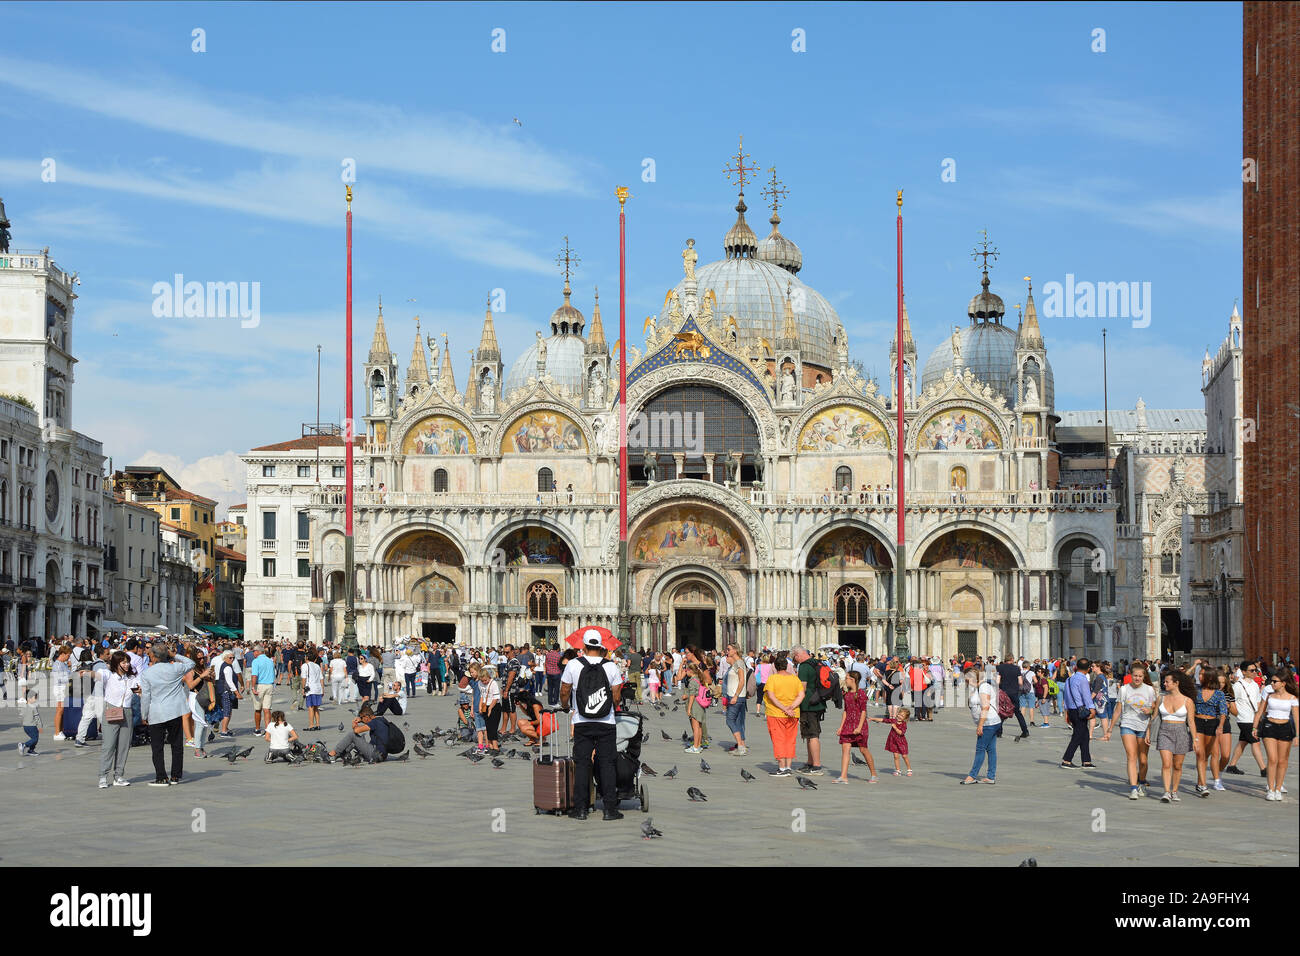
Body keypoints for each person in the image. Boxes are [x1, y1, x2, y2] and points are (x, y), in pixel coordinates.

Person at [559, 629, 625, 821]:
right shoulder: (611, 666)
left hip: (582, 722)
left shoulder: (573, 664)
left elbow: (564, 690)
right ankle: (609, 809)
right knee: (607, 764)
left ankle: (580, 809)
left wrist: (566, 705)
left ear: (584, 645)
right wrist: (610, 708)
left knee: (582, 764)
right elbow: (617, 695)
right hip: (606, 722)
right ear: (601, 646)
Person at [138, 644, 196, 786]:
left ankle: (161, 777)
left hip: (157, 711)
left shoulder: (147, 673)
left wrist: (143, 715)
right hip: (175, 710)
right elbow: (191, 663)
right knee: (176, 744)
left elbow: (146, 696)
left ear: (153, 656)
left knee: (157, 747)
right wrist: (174, 655)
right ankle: (176, 776)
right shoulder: (175, 668)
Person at [1106, 661, 1157, 799]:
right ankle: (1133, 788)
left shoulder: (1149, 690)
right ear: (1131, 675)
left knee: (1143, 759)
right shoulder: (1124, 689)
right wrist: (1110, 729)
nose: (1137, 678)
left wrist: (1150, 710)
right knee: (1131, 756)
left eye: (1140, 676)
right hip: (1127, 724)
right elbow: (1118, 710)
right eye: (1135, 676)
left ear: (1144, 676)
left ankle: (1141, 782)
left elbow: (1154, 709)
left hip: (1144, 726)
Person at [1253, 667, 1297, 802]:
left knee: (1282, 760)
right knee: (1272, 759)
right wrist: (1254, 727)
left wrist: (1297, 736)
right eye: (1272, 681)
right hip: (1269, 727)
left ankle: (1278, 789)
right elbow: (1260, 712)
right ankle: (1270, 789)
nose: (1272, 684)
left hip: (1285, 728)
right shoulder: (1269, 695)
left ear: (1283, 683)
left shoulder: (1292, 698)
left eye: (1275, 681)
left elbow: (1296, 718)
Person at [98, 650, 137, 787]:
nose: (127, 665)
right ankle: (103, 776)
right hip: (112, 710)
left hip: (127, 712)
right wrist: (85, 673)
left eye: (128, 662)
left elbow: (139, 690)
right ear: (116, 663)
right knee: (108, 745)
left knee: (124, 746)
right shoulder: (109, 675)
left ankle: (118, 775)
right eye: (123, 662)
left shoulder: (131, 678)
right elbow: (96, 674)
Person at [1156, 669, 1195, 802]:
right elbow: (1154, 716)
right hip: (1164, 731)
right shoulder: (1160, 698)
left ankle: (1174, 791)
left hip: (1181, 732)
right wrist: (1148, 732)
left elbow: (1191, 721)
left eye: (1167, 681)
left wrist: (1195, 739)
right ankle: (1166, 791)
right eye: (1164, 681)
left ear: (1176, 683)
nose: (1164, 684)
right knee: (1166, 763)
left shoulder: (1187, 701)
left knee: (1177, 765)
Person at [763, 652, 803, 777]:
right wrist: (792, 707)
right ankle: (788, 766)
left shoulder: (773, 679)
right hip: (793, 713)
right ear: (786, 666)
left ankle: (781, 768)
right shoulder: (795, 678)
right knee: (790, 740)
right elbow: (801, 695)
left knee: (778, 740)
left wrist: (784, 708)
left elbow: (771, 695)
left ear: (775, 667)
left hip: (776, 713)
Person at [833, 670, 876, 784]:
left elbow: (863, 711)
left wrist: (859, 727)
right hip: (848, 725)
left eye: (846, 678)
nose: (845, 681)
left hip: (859, 725)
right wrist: (841, 727)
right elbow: (846, 711)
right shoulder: (846, 694)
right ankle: (843, 776)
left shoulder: (861, 693)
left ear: (852, 680)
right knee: (845, 749)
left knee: (863, 750)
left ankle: (873, 774)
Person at [1226, 662, 1268, 777]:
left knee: (1243, 742)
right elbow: (1231, 702)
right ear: (1244, 672)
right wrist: (1237, 713)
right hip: (1244, 719)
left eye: (1256, 670)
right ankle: (1263, 769)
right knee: (1255, 742)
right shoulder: (1238, 685)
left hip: (1253, 718)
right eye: (1252, 670)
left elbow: (1258, 702)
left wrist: (1259, 716)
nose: (1255, 672)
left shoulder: (1255, 684)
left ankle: (1232, 765)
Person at [1192, 667, 1227, 796]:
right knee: (1200, 754)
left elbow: (1223, 711)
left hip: (1212, 724)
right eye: (1199, 674)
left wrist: (1220, 726)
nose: (1199, 676)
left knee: (1206, 755)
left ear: (1209, 677)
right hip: (1198, 722)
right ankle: (1204, 785)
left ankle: (1200, 782)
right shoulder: (1196, 691)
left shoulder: (1219, 694)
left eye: (1202, 674)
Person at [960, 669, 999, 784]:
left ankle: (972, 776)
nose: (966, 682)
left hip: (988, 722)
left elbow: (985, 707)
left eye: (967, 680)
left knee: (980, 749)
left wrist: (980, 725)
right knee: (991, 749)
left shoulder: (983, 687)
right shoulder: (978, 687)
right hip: (990, 721)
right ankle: (991, 776)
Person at [792, 646, 825, 775]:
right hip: (817, 702)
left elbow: (802, 687)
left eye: (795, 657)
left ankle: (816, 766)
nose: (795, 660)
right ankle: (810, 762)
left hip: (808, 704)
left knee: (812, 735)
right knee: (809, 734)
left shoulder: (804, 666)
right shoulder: (816, 662)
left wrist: (793, 701)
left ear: (798, 655)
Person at [1059, 658, 1096, 769]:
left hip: (1071, 710)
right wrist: (1092, 708)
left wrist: (1066, 711)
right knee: (1078, 735)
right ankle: (1067, 759)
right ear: (1088, 668)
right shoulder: (1083, 679)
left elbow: (1066, 696)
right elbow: (1086, 695)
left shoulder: (1069, 679)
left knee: (1084, 735)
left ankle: (1086, 760)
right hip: (1080, 710)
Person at [722, 643, 748, 755]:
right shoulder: (736, 663)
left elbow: (742, 680)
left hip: (736, 697)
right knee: (737, 721)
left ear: (735, 650)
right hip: (733, 695)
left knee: (730, 720)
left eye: (729, 649)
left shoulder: (739, 663)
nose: (727, 651)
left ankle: (741, 747)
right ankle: (741, 745)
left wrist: (736, 695)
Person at [996, 655, 1029, 740]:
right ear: (1012, 659)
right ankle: (1025, 731)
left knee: (1002, 711)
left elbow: (997, 681)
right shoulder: (1016, 668)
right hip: (1014, 692)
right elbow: (1020, 682)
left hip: (1004, 692)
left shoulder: (1000, 667)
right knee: (1018, 712)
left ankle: (999, 732)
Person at [873, 708, 912, 776]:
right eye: (899, 714)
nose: (899, 716)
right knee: (896, 756)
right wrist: (873, 719)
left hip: (901, 742)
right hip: (893, 741)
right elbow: (884, 720)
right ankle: (898, 770)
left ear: (905, 718)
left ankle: (909, 769)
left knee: (904, 756)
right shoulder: (894, 720)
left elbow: (901, 733)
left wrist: (895, 727)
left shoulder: (904, 724)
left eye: (902, 716)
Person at [247, 644, 276, 736]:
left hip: (259, 685)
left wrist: (252, 687)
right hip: (269, 685)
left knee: (258, 708)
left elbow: (254, 675)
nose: (253, 653)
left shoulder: (256, 661)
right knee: (267, 709)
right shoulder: (270, 660)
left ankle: (257, 729)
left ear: (258, 652)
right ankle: (268, 730)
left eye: (254, 651)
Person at [682, 665, 710, 753]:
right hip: (701, 706)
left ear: (690, 671)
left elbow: (692, 696)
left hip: (695, 706)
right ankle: (698, 745)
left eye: (686, 670)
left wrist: (689, 709)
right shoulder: (699, 679)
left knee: (696, 727)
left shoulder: (692, 681)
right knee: (700, 726)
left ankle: (695, 747)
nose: (686, 672)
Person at [301, 652, 324, 731]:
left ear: (307, 658)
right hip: (318, 688)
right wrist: (322, 689)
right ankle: (318, 724)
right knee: (316, 708)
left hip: (310, 689)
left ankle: (311, 725)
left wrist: (303, 688)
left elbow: (304, 678)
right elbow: (321, 678)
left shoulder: (305, 666)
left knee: (310, 707)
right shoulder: (317, 666)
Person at [19, 686, 41, 756]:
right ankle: (24, 745)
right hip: (32, 726)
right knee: (35, 738)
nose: (35, 699)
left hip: (25, 727)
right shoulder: (33, 707)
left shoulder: (23, 706)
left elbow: (21, 716)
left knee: (33, 738)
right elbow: (37, 717)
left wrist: (22, 723)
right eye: (34, 698)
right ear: (29, 698)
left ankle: (31, 750)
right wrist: (40, 726)